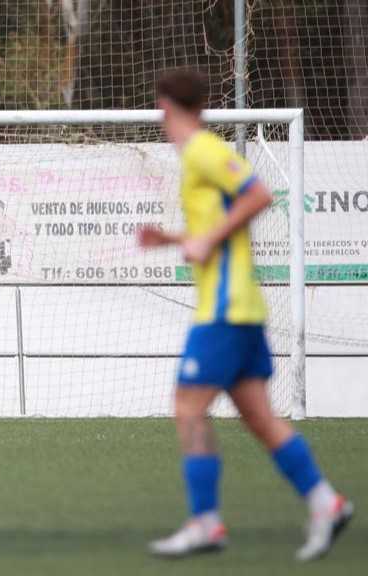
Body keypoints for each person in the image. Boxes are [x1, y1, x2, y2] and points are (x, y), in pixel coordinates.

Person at [139, 68, 353, 561]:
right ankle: (327, 502)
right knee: (259, 417)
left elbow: (258, 195)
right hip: (239, 308)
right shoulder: (198, 154)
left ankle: (205, 523)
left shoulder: (202, 150)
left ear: (168, 106)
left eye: (160, 109)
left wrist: (207, 239)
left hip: (225, 310)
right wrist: (172, 239)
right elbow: (220, 226)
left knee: (188, 407)